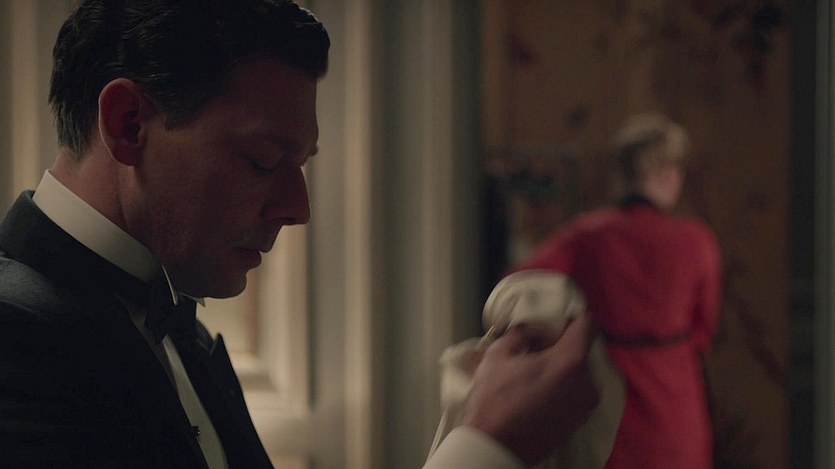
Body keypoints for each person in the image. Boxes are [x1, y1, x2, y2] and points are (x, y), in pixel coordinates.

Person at [0, 1, 599, 468]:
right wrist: (487, 449)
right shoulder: (14, 343)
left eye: (301, 165)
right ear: (128, 123)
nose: (297, 209)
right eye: (263, 160)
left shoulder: (180, 330)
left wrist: (469, 423)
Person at [514, 113, 722, 468]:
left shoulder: (588, 235)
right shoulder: (696, 241)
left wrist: (567, 337)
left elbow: (519, 283)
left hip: (609, 392)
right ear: (667, 173)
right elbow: (703, 330)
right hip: (676, 396)